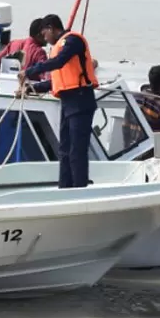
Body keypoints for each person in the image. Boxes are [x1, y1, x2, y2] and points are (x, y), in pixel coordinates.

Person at [25, 13, 98, 189]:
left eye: (44, 34)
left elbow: (59, 62)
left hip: (81, 100)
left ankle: (79, 189)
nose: (45, 38)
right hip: (68, 103)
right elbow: (57, 80)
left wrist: (30, 71)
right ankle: (64, 188)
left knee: (77, 150)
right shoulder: (58, 48)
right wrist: (33, 88)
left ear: (51, 28)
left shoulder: (72, 41)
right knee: (64, 150)